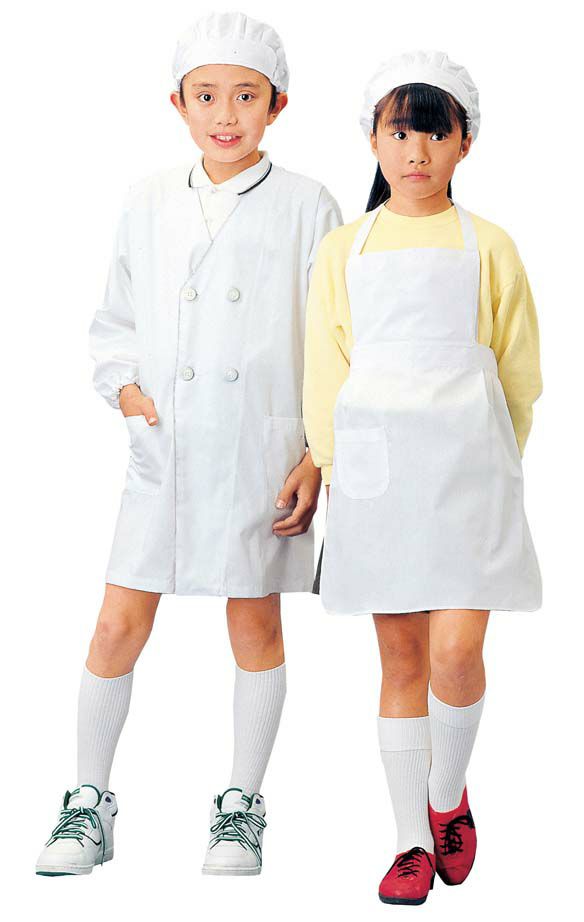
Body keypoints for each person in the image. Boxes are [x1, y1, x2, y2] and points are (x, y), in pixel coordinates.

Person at [36, 10, 341, 878]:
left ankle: (241, 806)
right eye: (206, 95)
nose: (225, 113)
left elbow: (332, 339)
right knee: (115, 623)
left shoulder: (309, 205)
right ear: (177, 103)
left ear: (277, 106)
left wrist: (315, 455)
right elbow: (116, 319)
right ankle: (89, 801)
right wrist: (128, 392)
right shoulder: (147, 199)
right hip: (166, 447)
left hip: (259, 449)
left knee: (255, 620)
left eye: (245, 95)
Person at [304, 50, 541, 905]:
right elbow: (324, 369)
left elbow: (519, 371)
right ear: (372, 139)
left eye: (435, 134)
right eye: (400, 133)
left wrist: (496, 457)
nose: (416, 152)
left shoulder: (492, 245)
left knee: (457, 650)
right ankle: (410, 838)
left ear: (464, 143)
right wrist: (337, 466)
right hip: (377, 479)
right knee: (403, 660)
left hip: (470, 474)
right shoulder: (343, 249)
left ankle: (448, 796)